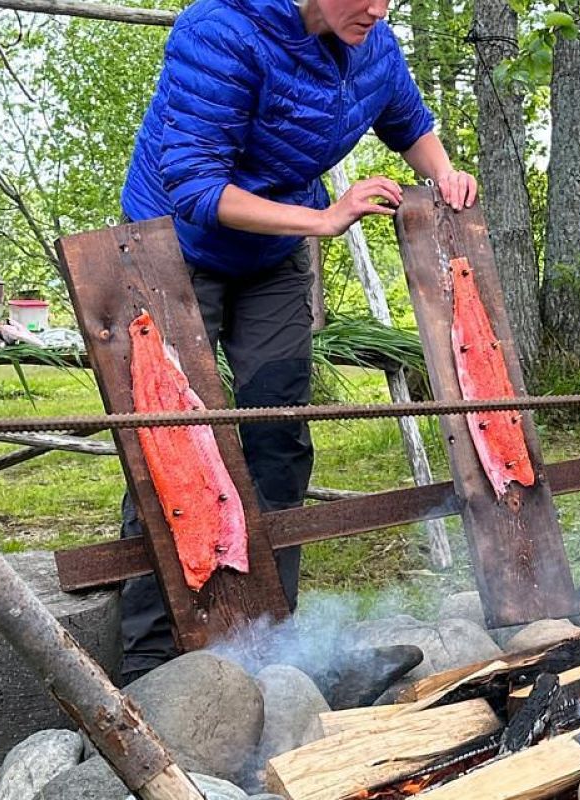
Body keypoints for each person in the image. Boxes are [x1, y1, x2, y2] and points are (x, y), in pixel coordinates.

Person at [116, 0, 477, 684]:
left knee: (280, 429)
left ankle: (271, 639)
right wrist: (322, 217)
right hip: (173, 246)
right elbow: (194, 185)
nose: (378, 8)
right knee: (169, 440)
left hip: (272, 255)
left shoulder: (371, 42)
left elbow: (408, 121)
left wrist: (445, 171)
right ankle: (151, 659)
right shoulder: (219, 32)